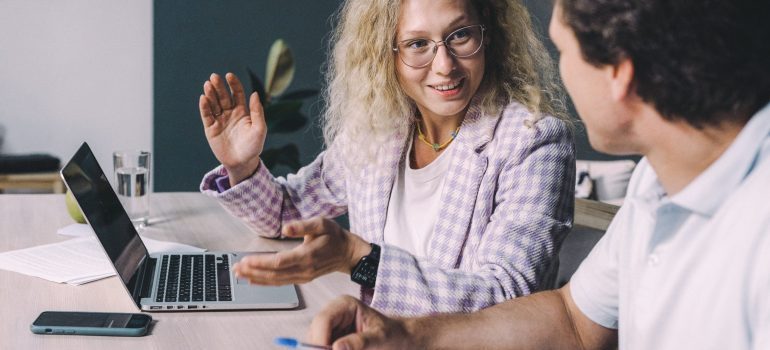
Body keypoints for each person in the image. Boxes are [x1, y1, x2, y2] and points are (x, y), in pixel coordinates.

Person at [307, 0, 770, 348]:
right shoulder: (659, 178)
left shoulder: (758, 235)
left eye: (564, 50)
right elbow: (572, 318)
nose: (558, 73)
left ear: (619, 76)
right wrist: (406, 334)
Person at [197, 0, 575, 316]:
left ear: (487, 34)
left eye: (460, 35)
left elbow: (505, 298)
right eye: (417, 44)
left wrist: (360, 258)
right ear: (385, 53)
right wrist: (243, 166)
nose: (445, 65)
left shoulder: (534, 142)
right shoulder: (380, 130)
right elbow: (287, 213)